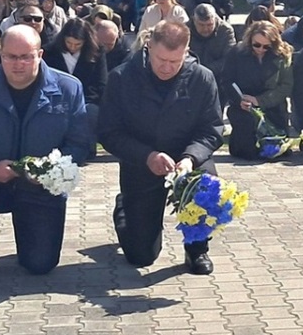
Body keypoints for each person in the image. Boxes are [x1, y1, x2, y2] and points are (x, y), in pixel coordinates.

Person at [0, 25, 94, 278]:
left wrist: (50, 172)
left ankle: (32, 242)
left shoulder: (68, 88)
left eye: (26, 56)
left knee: (39, 266)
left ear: (40, 55)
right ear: (0, 55)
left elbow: (79, 145)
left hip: (41, 185)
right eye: (11, 56)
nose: (18, 63)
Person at [95, 19, 224, 273]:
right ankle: (125, 207)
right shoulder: (122, 78)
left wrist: (190, 158)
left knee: (205, 185)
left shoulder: (202, 77)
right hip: (142, 162)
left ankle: (197, 249)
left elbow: (211, 129)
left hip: (188, 160)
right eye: (161, 60)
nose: (166, 68)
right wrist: (147, 156)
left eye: (174, 62)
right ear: (148, 46)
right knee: (140, 256)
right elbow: (109, 132)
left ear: (186, 52)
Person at [222, 19, 294, 160]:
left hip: (272, 106)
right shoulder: (236, 53)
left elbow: (286, 86)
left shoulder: (283, 55)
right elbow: (226, 81)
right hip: (243, 107)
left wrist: (260, 101)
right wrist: (239, 100)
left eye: (266, 46)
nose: (261, 49)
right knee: (248, 152)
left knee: (278, 151)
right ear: (250, 40)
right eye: (257, 45)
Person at [45, 18, 110, 109]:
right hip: (56, 102)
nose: (72, 47)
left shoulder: (97, 53)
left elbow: (101, 82)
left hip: (86, 101)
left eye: (78, 44)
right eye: (69, 42)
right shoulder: (49, 52)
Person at [188, 5, 233, 86]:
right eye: (201, 25)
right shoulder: (185, 30)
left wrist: (204, 72)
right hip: (191, 76)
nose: (205, 29)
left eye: (209, 25)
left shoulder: (225, 31)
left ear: (215, 20)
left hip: (219, 78)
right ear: (194, 20)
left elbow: (229, 59)